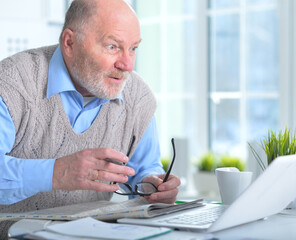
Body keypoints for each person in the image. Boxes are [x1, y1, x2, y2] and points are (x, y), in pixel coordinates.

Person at [0, 0, 180, 237]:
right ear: (69, 42)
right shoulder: (12, 83)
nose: (127, 64)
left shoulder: (138, 97)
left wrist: (154, 186)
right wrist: (57, 172)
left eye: (134, 48)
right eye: (113, 47)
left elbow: (144, 170)